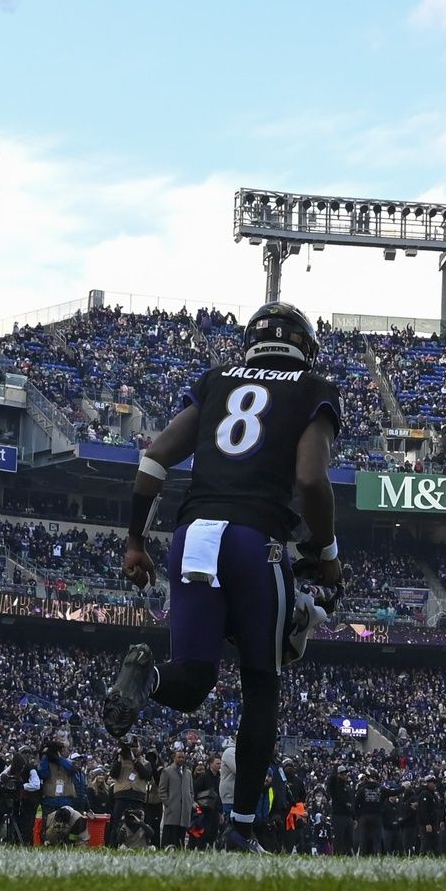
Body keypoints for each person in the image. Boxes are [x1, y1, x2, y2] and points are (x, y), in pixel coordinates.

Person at [106, 302, 342, 853]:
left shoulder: (215, 381)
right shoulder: (312, 388)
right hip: (252, 538)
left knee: (192, 679)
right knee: (262, 684)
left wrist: (136, 540)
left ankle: (148, 681)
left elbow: (154, 460)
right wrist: (326, 552)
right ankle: (239, 829)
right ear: (303, 349)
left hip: (194, 536)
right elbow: (310, 478)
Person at [158, 746, 194, 849]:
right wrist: (168, 803)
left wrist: (189, 802)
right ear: (174, 758)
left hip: (184, 811)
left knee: (181, 839)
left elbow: (191, 791)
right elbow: (162, 790)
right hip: (172, 810)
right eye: (179, 757)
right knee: (170, 836)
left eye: (182, 757)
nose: (181, 759)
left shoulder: (188, 773)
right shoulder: (167, 771)